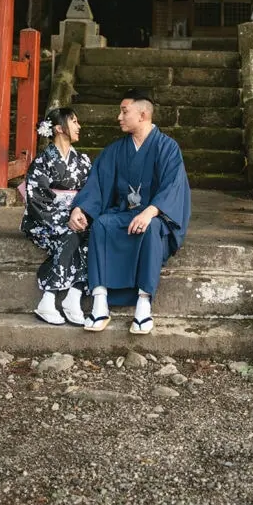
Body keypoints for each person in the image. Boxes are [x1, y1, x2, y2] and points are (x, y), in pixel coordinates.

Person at [68, 88, 190, 335]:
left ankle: (144, 305)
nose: (119, 117)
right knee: (102, 224)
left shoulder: (167, 148)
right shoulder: (116, 150)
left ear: (143, 114)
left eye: (124, 111)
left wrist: (150, 212)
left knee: (152, 228)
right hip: (125, 213)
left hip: (154, 215)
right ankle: (100, 301)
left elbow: (173, 187)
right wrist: (80, 208)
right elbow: (98, 183)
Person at [20, 107, 92, 326]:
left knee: (93, 235)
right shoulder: (42, 162)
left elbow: (91, 193)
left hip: (75, 216)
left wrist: (81, 212)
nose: (79, 126)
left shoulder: (84, 161)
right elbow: (36, 199)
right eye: (74, 122)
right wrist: (65, 218)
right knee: (71, 235)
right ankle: (53, 297)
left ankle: (70, 297)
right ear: (59, 128)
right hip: (42, 221)